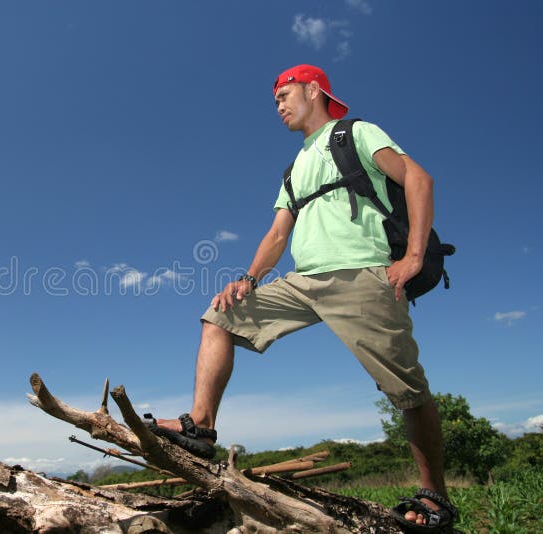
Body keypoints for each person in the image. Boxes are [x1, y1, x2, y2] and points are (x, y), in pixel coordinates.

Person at [146, 65, 458, 531]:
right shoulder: (293, 169)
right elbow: (277, 234)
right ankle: (201, 425)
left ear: (314, 91)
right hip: (303, 281)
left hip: (361, 276)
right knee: (218, 315)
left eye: (284, 95)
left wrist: (413, 256)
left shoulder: (356, 132)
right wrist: (248, 280)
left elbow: (419, 179)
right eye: (275, 100)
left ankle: (435, 497)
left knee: (407, 392)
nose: (278, 106)